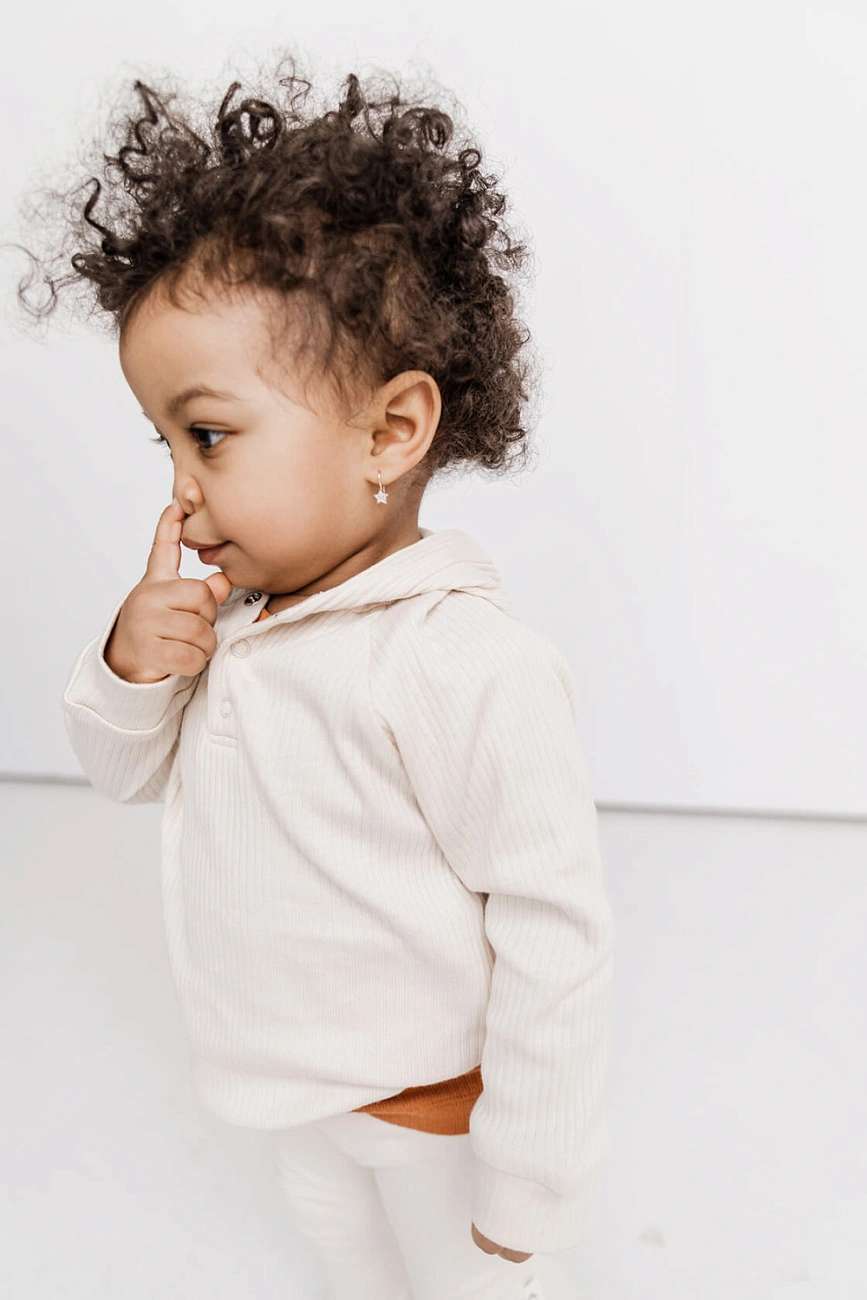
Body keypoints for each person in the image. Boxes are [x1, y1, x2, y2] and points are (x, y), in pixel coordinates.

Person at [21, 52, 616, 1300]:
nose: (180, 490)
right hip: (290, 1091)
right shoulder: (236, 624)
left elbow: (555, 931)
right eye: (165, 443)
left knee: (462, 1280)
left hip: (428, 1103)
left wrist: (530, 1180)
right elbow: (126, 773)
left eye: (209, 435)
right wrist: (134, 663)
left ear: (390, 432)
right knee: (345, 1256)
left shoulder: (457, 659)